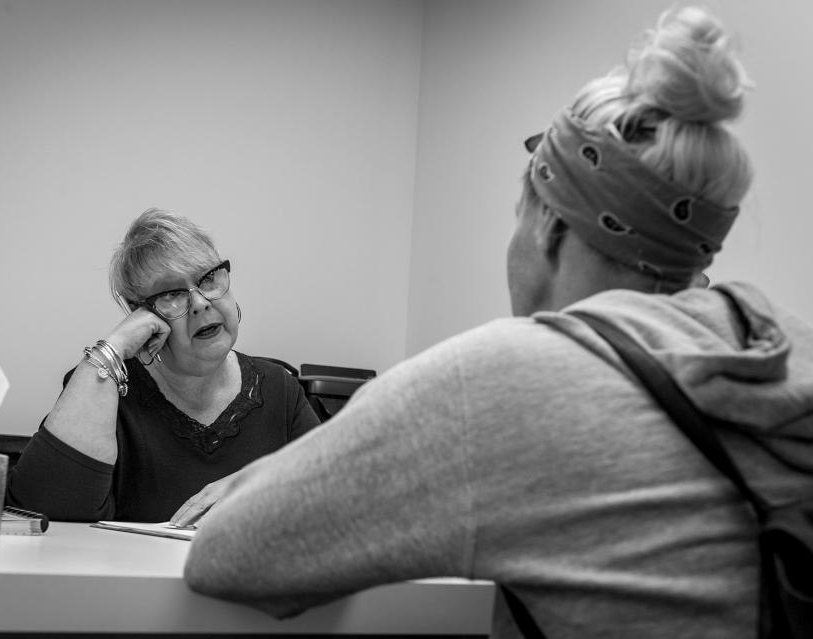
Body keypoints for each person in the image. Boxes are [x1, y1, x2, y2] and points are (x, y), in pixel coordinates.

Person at [182, 7, 813, 638]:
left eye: (520, 215)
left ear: (550, 225)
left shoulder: (514, 376)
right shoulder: (787, 347)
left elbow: (227, 556)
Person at [6, 209, 319, 522]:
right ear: (140, 313)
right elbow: (42, 512)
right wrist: (111, 349)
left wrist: (258, 484)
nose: (200, 303)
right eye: (172, 294)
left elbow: (337, 497)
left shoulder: (279, 389)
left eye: (209, 279)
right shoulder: (104, 389)